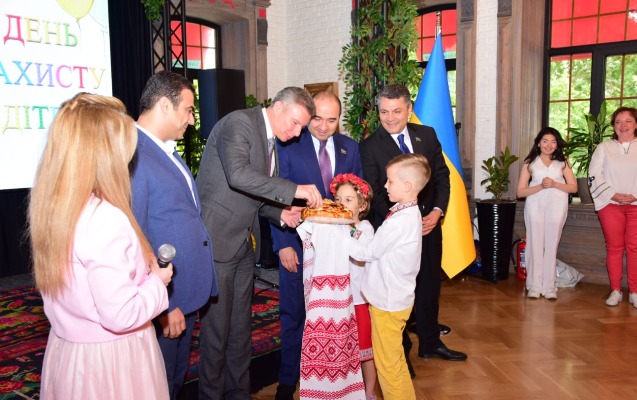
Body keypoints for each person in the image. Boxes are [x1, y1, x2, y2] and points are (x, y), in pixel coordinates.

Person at [30, 93, 173, 399]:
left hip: (70, 354)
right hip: (112, 362)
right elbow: (121, 315)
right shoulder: (104, 217)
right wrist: (158, 282)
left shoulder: (54, 208)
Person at [196, 86, 324, 399]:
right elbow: (238, 176)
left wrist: (281, 213)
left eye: (301, 128)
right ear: (278, 107)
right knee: (216, 333)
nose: (296, 133)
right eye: (295, 123)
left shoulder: (271, 139)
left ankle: (238, 393)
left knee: (240, 329)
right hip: (217, 241)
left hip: (242, 242)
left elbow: (255, 195)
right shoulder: (238, 123)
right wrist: (295, 190)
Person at [359, 84, 467, 373]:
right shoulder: (369, 146)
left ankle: (430, 342)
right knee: (397, 292)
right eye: (384, 112)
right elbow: (375, 193)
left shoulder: (427, 135)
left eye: (396, 111)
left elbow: (442, 177)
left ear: (408, 110)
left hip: (429, 228)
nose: (390, 118)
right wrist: (405, 220)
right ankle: (402, 352)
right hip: (395, 234)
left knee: (429, 286)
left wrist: (437, 211)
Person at [131, 71, 218, 399]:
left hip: (182, 291)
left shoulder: (163, 149)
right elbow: (136, 237)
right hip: (164, 299)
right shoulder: (135, 153)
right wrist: (164, 305)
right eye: (188, 110)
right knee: (159, 384)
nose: (192, 120)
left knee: (174, 380)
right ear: (165, 106)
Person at [270, 91, 362, 400]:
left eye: (331, 120)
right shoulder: (288, 145)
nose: (323, 126)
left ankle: (332, 379)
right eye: (318, 118)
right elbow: (275, 195)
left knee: (334, 317)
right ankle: (287, 381)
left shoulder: (351, 148)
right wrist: (283, 244)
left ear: (339, 120)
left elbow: (358, 199)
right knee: (294, 314)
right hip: (296, 247)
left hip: (337, 255)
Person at [348, 153, 430, 400]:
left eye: (390, 181)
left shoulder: (399, 221)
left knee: (388, 368)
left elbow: (368, 253)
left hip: (387, 303)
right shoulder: (407, 213)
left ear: (408, 186)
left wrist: (341, 236)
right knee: (396, 362)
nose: (385, 185)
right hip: (396, 299)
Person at [516, 127, 577, 300]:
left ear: (557, 144)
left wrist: (555, 184)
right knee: (534, 244)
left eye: (553, 142)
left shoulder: (563, 161)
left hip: (557, 207)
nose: (549, 145)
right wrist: (540, 186)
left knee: (551, 245)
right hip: (534, 207)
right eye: (545, 141)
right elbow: (520, 192)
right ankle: (534, 285)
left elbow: (573, 187)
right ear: (538, 143)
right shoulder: (530, 162)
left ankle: (549, 286)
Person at [332, 173, 377, 400]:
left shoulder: (365, 229)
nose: (342, 204)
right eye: (338, 200)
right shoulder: (333, 227)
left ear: (362, 205)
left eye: (348, 200)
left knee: (366, 351)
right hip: (340, 299)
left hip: (359, 300)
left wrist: (341, 232)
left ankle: (369, 391)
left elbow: (360, 253)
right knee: (343, 348)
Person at [588, 106, 637, 307]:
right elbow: (594, 175)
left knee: (635, 248)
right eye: (618, 122)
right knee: (614, 247)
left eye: (628, 121)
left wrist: (635, 196)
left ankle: (634, 292)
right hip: (609, 204)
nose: (622, 125)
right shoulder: (604, 148)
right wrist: (613, 195)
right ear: (613, 126)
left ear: (636, 124)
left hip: (636, 205)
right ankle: (616, 290)